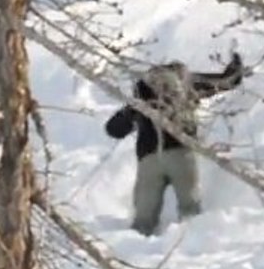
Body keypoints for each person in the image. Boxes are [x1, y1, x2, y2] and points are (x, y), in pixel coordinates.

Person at [104, 51, 245, 235]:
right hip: (182, 153)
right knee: (189, 208)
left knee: (143, 217)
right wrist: (237, 63)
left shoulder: (142, 92)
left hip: (149, 159)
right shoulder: (187, 83)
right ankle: (189, 244)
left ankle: (136, 246)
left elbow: (113, 129)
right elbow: (228, 81)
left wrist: (134, 118)